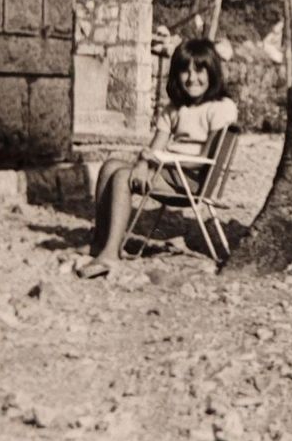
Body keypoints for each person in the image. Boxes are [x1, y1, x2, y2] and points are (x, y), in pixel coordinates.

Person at [76, 38, 237, 279]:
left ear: (212, 71)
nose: (192, 78)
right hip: (169, 171)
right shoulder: (174, 109)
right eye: (185, 71)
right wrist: (143, 164)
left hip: (192, 180)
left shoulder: (220, 107)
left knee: (122, 176)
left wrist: (157, 162)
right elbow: (154, 148)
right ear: (176, 75)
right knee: (110, 166)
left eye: (199, 70)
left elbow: (205, 158)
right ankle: (100, 240)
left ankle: (111, 253)